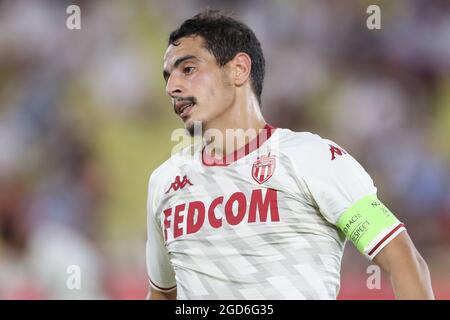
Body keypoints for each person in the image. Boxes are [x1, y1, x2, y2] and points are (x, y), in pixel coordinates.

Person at [145, 10, 434, 300]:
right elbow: (162, 294)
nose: (172, 87)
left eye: (188, 69)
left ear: (238, 69)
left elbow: (403, 261)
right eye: (168, 77)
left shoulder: (314, 158)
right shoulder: (165, 182)